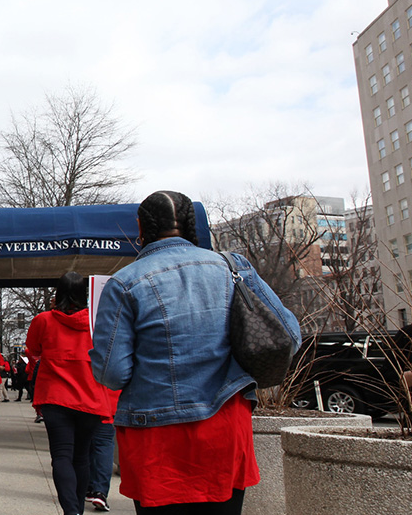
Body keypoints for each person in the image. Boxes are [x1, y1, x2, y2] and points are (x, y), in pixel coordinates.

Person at [91, 190, 301, 515]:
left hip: (155, 435)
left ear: (140, 227)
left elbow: (112, 373)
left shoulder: (124, 284)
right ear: (191, 224)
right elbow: (289, 335)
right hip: (226, 425)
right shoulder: (234, 268)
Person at [27, 272, 119, 515]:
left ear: (58, 294)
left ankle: (71, 511)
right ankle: (77, 506)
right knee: (81, 456)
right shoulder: (97, 321)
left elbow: (34, 348)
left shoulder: (43, 320)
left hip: (55, 397)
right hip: (90, 396)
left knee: (61, 456)